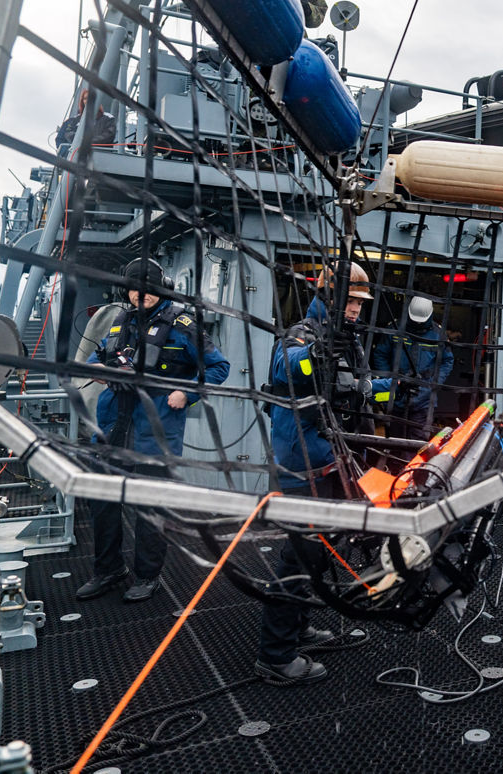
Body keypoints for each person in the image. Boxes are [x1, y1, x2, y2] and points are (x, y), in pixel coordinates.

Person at [78, 258, 231, 602]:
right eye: (133, 288)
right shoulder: (121, 320)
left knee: (150, 508)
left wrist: (186, 393)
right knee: (102, 502)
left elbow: (219, 367)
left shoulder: (183, 324)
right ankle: (108, 570)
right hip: (113, 428)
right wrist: (99, 369)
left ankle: (148, 575)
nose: (139, 294)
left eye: (147, 288)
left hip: (155, 430)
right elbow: (97, 358)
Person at [255, 262, 375, 684]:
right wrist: (318, 355)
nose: (357, 310)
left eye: (361, 304)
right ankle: (275, 655)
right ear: (330, 299)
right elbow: (289, 369)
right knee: (300, 555)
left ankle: (300, 626)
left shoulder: (349, 340)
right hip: (301, 464)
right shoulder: (301, 337)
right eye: (352, 302)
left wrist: (384, 389)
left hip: (331, 461)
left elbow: (350, 388)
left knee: (320, 550)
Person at [371, 297, 454, 440]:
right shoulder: (395, 329)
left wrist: (433, 384)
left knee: (418, 443)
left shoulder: (438, 335)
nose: (417, 324)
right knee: (393, 441)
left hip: (424, 399)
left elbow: (446, 361)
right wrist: (388, 381)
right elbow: (380, 354)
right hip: (396, 395)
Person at [56, 88, 116, 155]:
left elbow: (108, 136)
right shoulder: (72, 121)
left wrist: (86, 141)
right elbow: (63, 137)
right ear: (82, 101)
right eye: (85, 98)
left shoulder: (108, 118)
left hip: (101, 156)